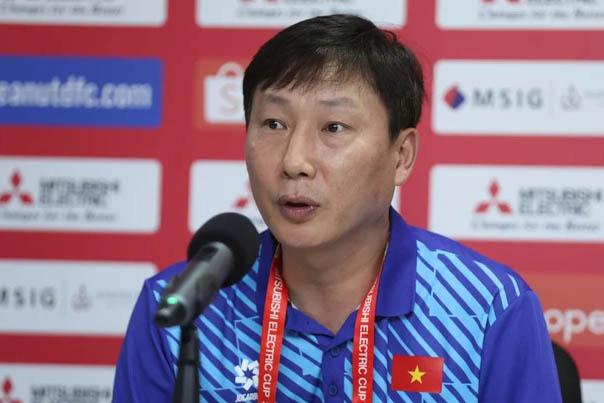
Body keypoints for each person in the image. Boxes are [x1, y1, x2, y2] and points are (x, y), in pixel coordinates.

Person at [112, 14, 562, 402]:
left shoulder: (485, 308)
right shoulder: (180, 308)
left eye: (334, 127)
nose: (294, 161)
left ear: (401, 156)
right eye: (273, 123)